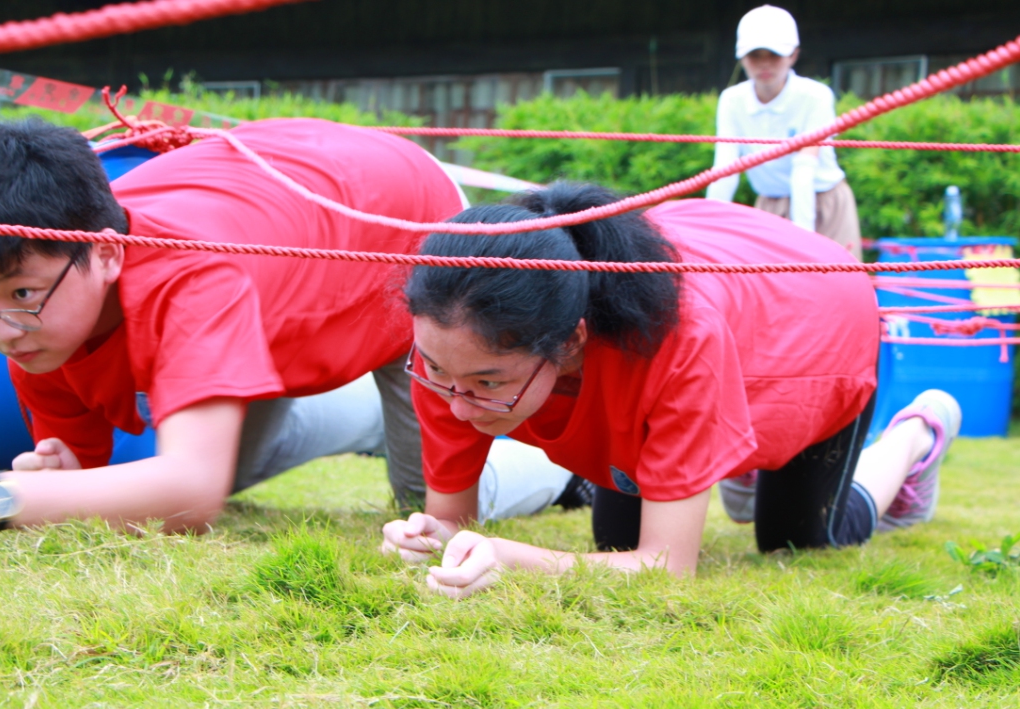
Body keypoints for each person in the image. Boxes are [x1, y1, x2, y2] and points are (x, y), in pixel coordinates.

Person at [0, 117, 576, 532]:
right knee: (176, 477)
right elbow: (88, 482)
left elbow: (190, 492)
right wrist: (50, 475)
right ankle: (355, 415)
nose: (1, 326)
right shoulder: (33, 304)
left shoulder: (190, 279)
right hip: (279, 255)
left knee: (429, 511)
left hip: (397, 219)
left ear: (106, 254)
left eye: (20, 293)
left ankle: (560, 477)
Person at [381, 183, 962, 599]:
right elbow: (453, 518)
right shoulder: (454, 343)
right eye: (436, 371)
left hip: (817, 317)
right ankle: (724, 465)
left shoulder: (678, 344)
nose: (455, 405)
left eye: (488, 384)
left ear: (570, 342)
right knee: (614, 541)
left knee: (796, 539)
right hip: (720, 281)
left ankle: (916, 435)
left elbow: (666, 571)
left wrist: (511, 558)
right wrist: (435, 536)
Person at [705, 5, 863, 260]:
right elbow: (725, 170)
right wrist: (709, 231)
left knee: (842, 283)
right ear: (742, 57)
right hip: (769, 206)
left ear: (793, 55)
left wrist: (803, 239)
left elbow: (804, 166)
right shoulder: (732, 100)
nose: (765, 64)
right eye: (755, 55)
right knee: (774, 292)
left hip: (825, 202)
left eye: (775, 54)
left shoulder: (815, 96)